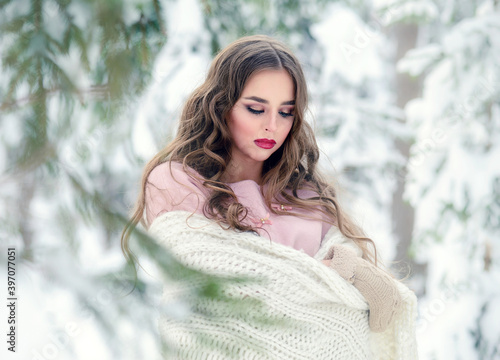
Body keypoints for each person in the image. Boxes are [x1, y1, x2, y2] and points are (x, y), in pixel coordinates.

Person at [122, 35, 418, 359]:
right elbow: (214, 287)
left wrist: (350, 267)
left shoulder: (306, 196)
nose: (273, 126)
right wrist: (327, 279)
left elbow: (380, 306)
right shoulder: (178, 182)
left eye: (286, 112)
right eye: (255, 109)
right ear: (222, 104)